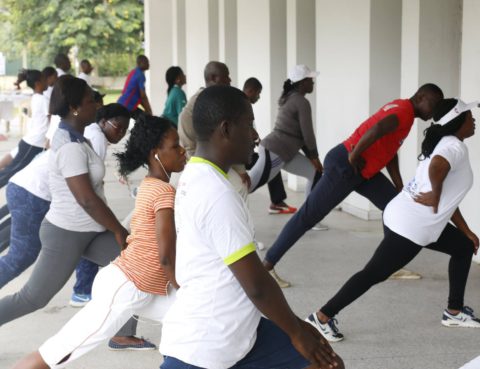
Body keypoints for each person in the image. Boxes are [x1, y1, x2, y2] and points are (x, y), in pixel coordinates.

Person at [159, 85, 344, 369]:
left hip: (238, 331)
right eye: (249, 124)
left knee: (326, 363)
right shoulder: (216, 193)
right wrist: (296, 331)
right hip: (208, 344)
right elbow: (256, 285)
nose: (256, 136)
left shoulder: (197, 173)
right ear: (226, 129)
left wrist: (297, 328)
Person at [12, 114, 186, 369]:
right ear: (155, 153)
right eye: (175, 146)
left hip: (142, 287)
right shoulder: (162, 191)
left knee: (190, 318)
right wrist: (180, 284)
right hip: (126, 288)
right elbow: (165, 255)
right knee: (60, 350)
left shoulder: (152, 184)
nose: (182, 151)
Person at [306, 98, 479, 343]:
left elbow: (447, 200)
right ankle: (321, 318)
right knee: (373, 273)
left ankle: (455, 311)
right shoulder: (454, 148)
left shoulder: (444, 142)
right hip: (410, 226)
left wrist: (466, 229)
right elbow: (438, 168)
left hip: (405, 215)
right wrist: (436, 193)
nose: (474, 120)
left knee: (463, 246)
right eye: (470, 117)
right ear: (458, 121)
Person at [0, 76, 153, 350]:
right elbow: (86, 199)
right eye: (89, 100)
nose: (96, 104)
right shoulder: (70, 145)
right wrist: (118, 229)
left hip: (90, 230)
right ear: (74, 107)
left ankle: (122, 332)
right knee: (33, 297)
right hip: (66, 233)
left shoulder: (78, 137)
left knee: (133, 265)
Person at [263, 83, 444, 287]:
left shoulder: (403, 111)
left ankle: (388, 265)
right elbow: (376, 129)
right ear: (420, 97)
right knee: (308, 216)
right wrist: (354, 155)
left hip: (363, 170)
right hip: (346, 166)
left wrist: (399, 186)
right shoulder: (403, 112)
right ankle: (266, 268)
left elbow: (390, 150)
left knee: (394, 206)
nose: (435, 111)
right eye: (434, 104)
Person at [0, 103, 130, 291]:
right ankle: (83, 289)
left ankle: (83, 289)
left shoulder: (92, 133)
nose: (121, 133)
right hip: (34, 193)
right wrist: (115, 227)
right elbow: (87, 196)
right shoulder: (97, 137)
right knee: (21, 256)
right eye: (119, 127)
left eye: (126, 130)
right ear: (103, 122)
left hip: (30, 189)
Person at [247, 64, 323, 204]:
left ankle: (310, 219)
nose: (313, 82)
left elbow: (302, 136)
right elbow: (308, 134)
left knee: (315, 172)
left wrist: (313, 158)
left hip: (286, 152)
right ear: (302, 82)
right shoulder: (301, 102)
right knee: (247, 186)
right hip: (275, 151)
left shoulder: (290, 98)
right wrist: (315, 157)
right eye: (310, 79)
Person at [243, 77, 297, 215]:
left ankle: (277, 202)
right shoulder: (243, 105)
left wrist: (254, 139)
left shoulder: (245, 104)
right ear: (250, 90)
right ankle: (275, 201)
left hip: (246, 153)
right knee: (270, 164)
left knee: (272, 163)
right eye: (258, 93)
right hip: (240, 156)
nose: (259, 97)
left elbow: (249, 128)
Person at [0, 69, 49, 188]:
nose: (46, 82)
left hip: (34, 142)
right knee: (11, 172)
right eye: (44, 80)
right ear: (38, 83)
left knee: (12, 170)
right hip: (34, 143)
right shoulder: (43, 100)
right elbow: (51, 121)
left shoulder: (38, 97)